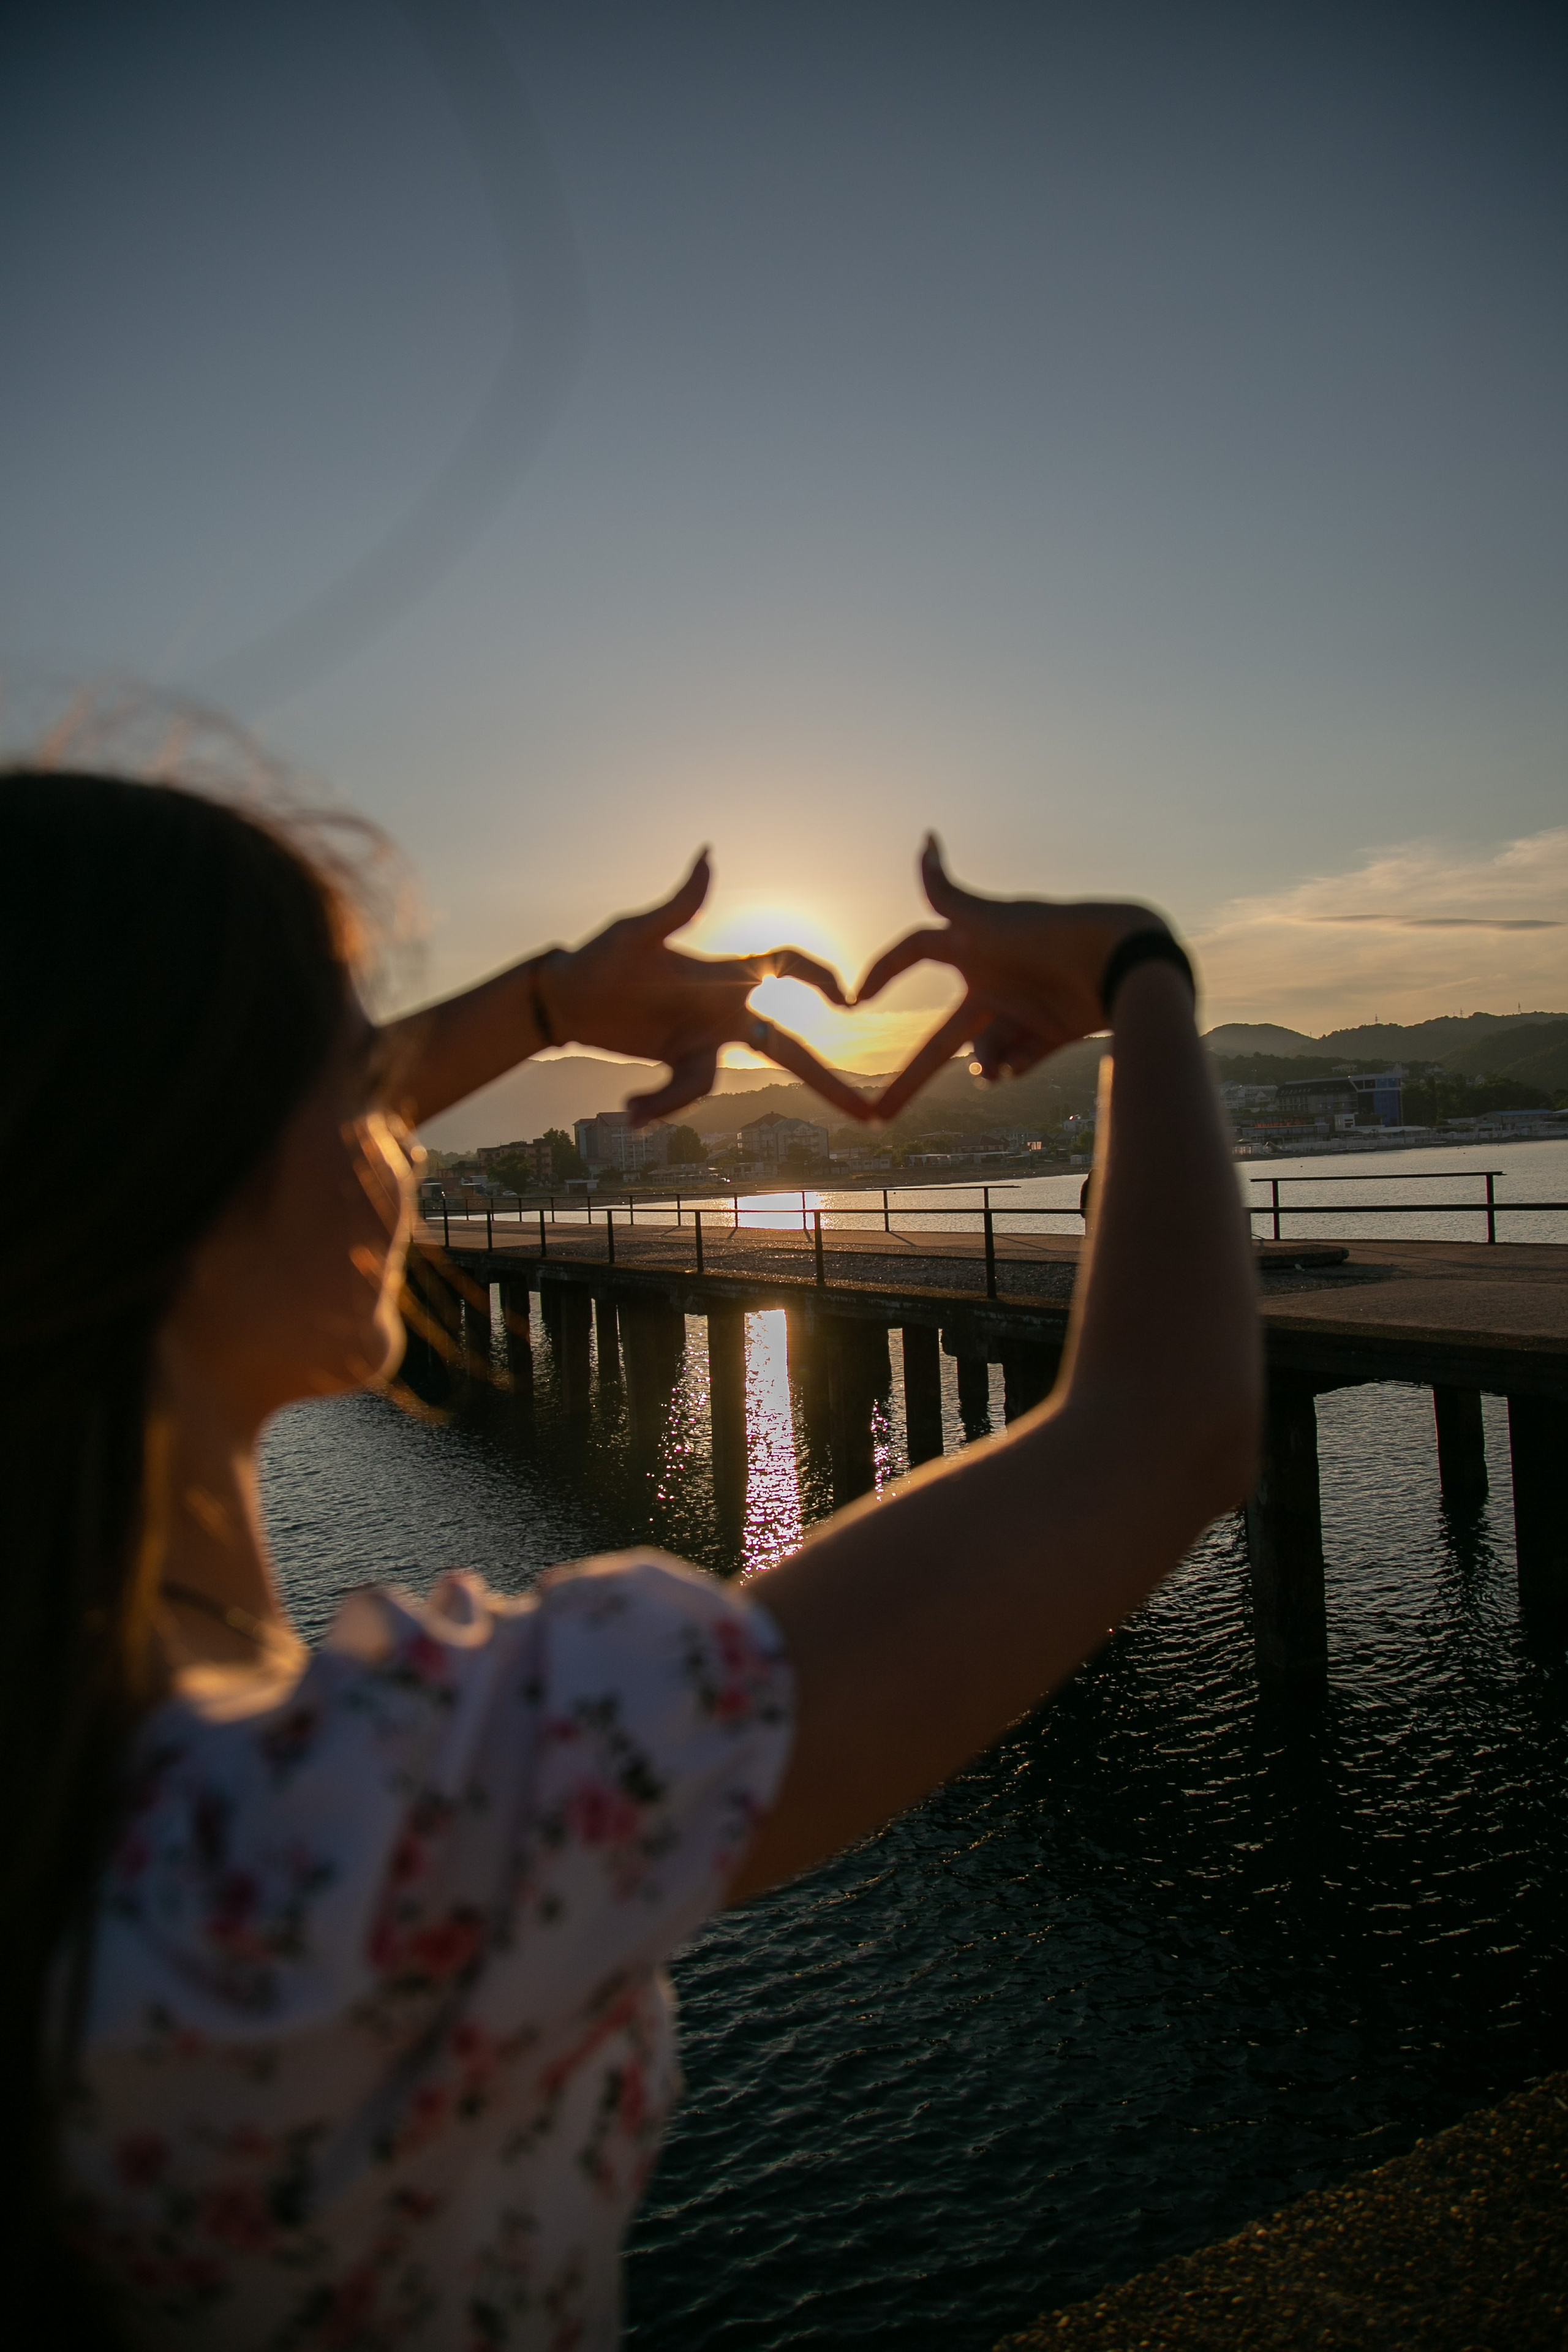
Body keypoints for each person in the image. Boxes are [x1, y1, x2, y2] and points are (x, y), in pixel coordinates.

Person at [1, 775, 1259, 2349]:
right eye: (352, 1076)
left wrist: (547, 1002)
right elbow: (1163, 1431)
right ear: (178, 1159)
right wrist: (1141, 976)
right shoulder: (368, 1840)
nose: (395, 1139)